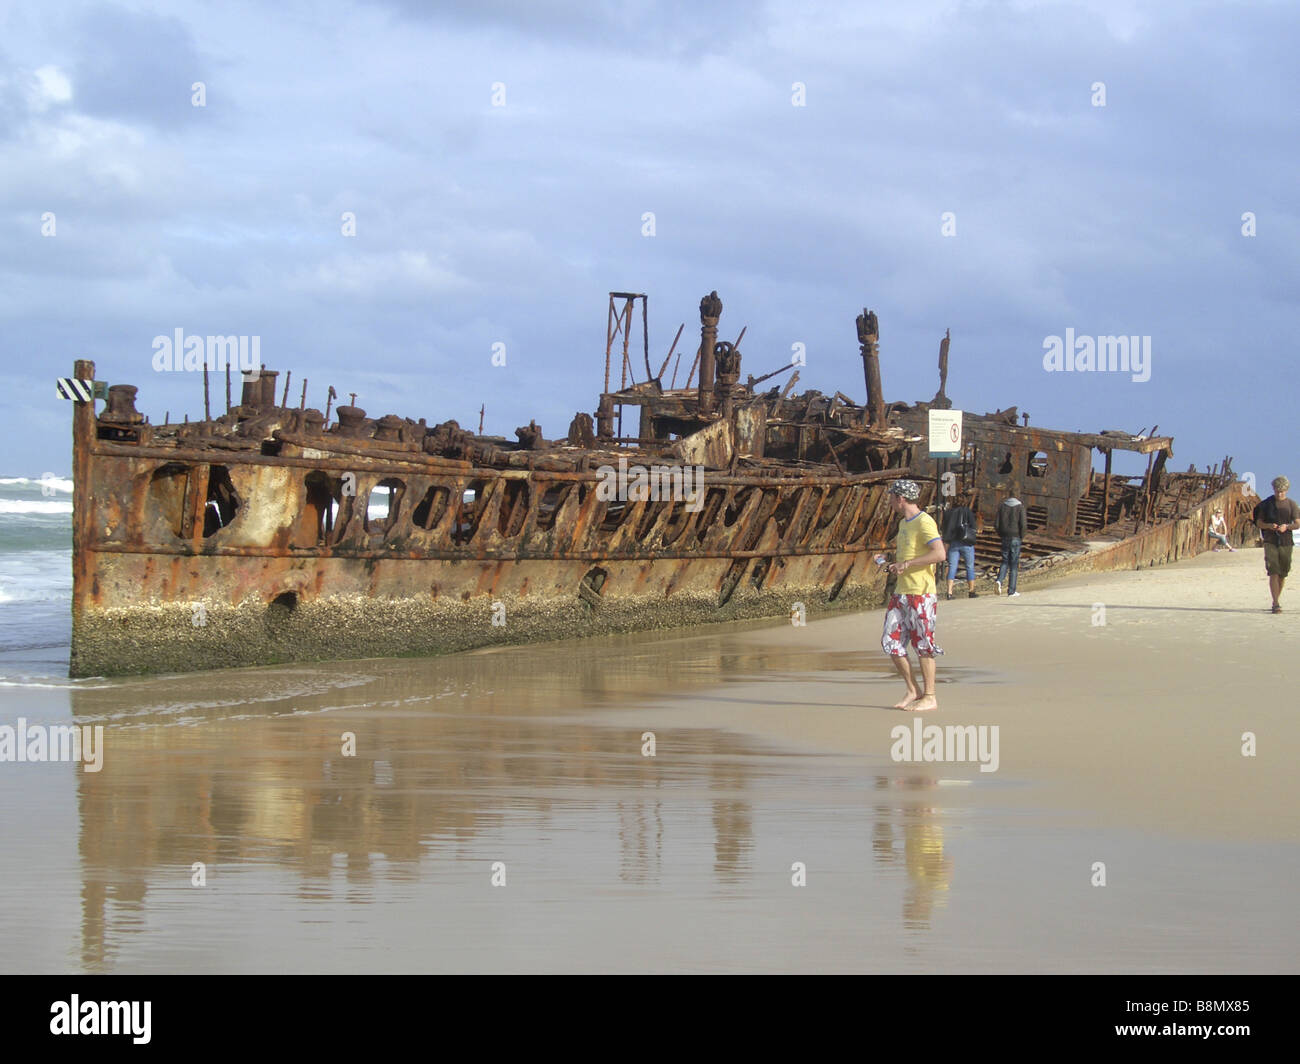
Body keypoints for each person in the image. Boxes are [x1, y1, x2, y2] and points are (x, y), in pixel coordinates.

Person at [875, 480, 948, 712]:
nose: (890, 500)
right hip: (902, 592)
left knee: (923, 644)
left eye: (892, 497)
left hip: (921, 593)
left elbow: (940, 554)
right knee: (890, 641)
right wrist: (892, 565)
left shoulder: (924, 521)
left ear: (901, 498)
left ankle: (930, 696)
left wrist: (908, 563)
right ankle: (913, 689)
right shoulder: (903, 524)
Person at [1253, 476, 1300, 613]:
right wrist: (1268, 525)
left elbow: (1298, 523)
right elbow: (1259, 522)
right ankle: (1275, 603)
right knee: (1273, 572)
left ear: (1286, 490)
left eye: (1282, 491)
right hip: (1270, 541)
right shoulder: (1266, 504)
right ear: (1273, 489)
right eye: (1277, 491)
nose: (1279, 494)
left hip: (1286, 542)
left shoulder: (1291, 504)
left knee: (1283, 573)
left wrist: (1287, 527)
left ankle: (1276, 600)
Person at [940, 494, 980, 600]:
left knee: (952, 566)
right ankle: (971, 591)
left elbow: (944, 528)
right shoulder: (967, 512)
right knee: (969, 566)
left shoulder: (948, 513)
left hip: (953, 543)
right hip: (966, 542)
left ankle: (949, 592)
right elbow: (973, 526)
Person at [994, 493, 1026, 597]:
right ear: (1018, 495)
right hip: (1016, 537)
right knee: (1014, 564)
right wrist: (1021, 536)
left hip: (1005, 537)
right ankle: (1011, 591)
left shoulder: (1002, 506)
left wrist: (1001, 534)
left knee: (1004, 561)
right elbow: (1023, 524)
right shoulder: (1020, 507)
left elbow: (996, 524)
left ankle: (999, 580)